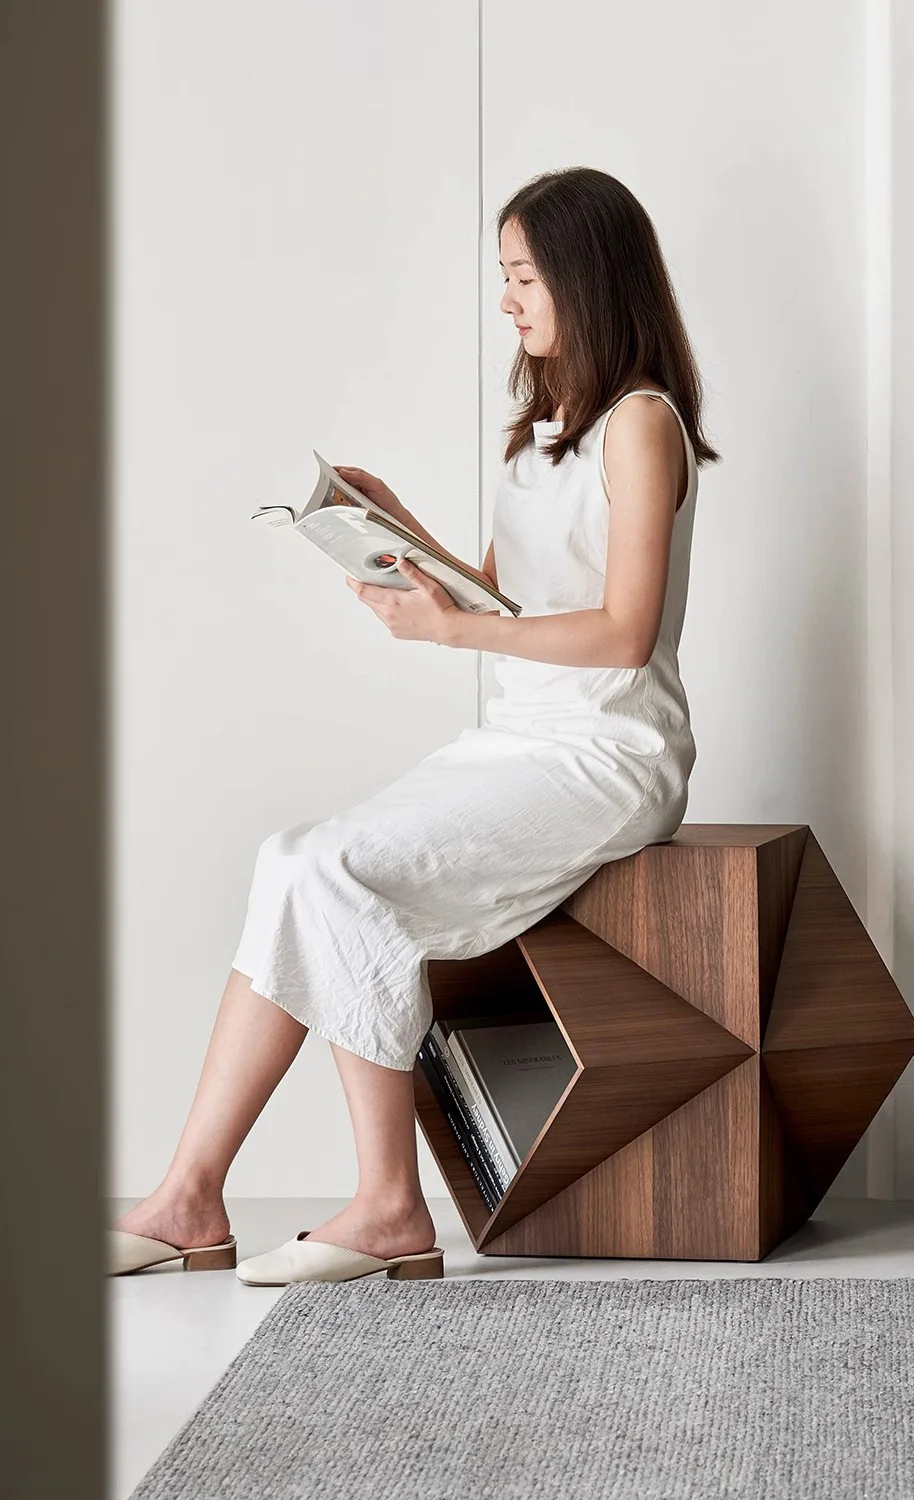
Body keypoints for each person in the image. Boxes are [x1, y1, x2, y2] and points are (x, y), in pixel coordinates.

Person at [109, 166, 719, 1286]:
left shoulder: (641, 425)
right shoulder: (541, 433)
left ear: (587, 278)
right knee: (293, 858)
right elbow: (507, 597)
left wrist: (449, 634)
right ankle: (189, 1195)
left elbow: (625, 633)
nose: (507, 299)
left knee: (340, 868)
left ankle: (389, 1207)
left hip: (610, 753)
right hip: (522, 738)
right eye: (504, 276)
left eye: (525, 276)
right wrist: (399, 533)